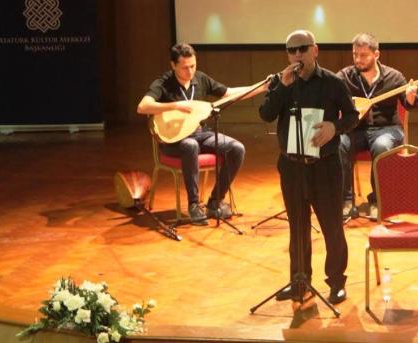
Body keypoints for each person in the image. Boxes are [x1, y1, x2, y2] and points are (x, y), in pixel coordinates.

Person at [258, 30, 358, 305]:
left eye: (303, 48)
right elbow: (266, 114)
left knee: (332, 227)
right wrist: (282, 87)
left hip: (324, 166)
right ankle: (299, 282)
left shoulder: (333, 82)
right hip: (292, 167)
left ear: (315, 50)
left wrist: (334, 127)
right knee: (298, 228)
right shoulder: (282, 82)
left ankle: (336, 282)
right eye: (292, 50)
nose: (297, 55)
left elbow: (352, 116)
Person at [137, 43, 265, 225]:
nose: (190, 72)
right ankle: (194, 205)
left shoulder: (201, 79)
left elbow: (228, 93)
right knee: (190, 146)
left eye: (193, 66)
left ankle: (215, 201)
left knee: (236, 149)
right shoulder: (164, 83)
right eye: (185, 67)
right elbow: (143, 107)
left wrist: (260, 87)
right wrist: (175, 106)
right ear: (173, 65)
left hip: (200, 133)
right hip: (174, 141)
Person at [336, 33, 418, 219]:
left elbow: (410, 105)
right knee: (339, 144)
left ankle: (378, 201)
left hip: (386, 128)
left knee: (382, 146)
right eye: (355, 54)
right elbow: (329, 97)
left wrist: (411, 97)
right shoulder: (345, 77)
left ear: (376, 54)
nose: (358, 59)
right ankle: (346, 200)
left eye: (363, 55)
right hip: (355, 130)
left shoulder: (394, 76)